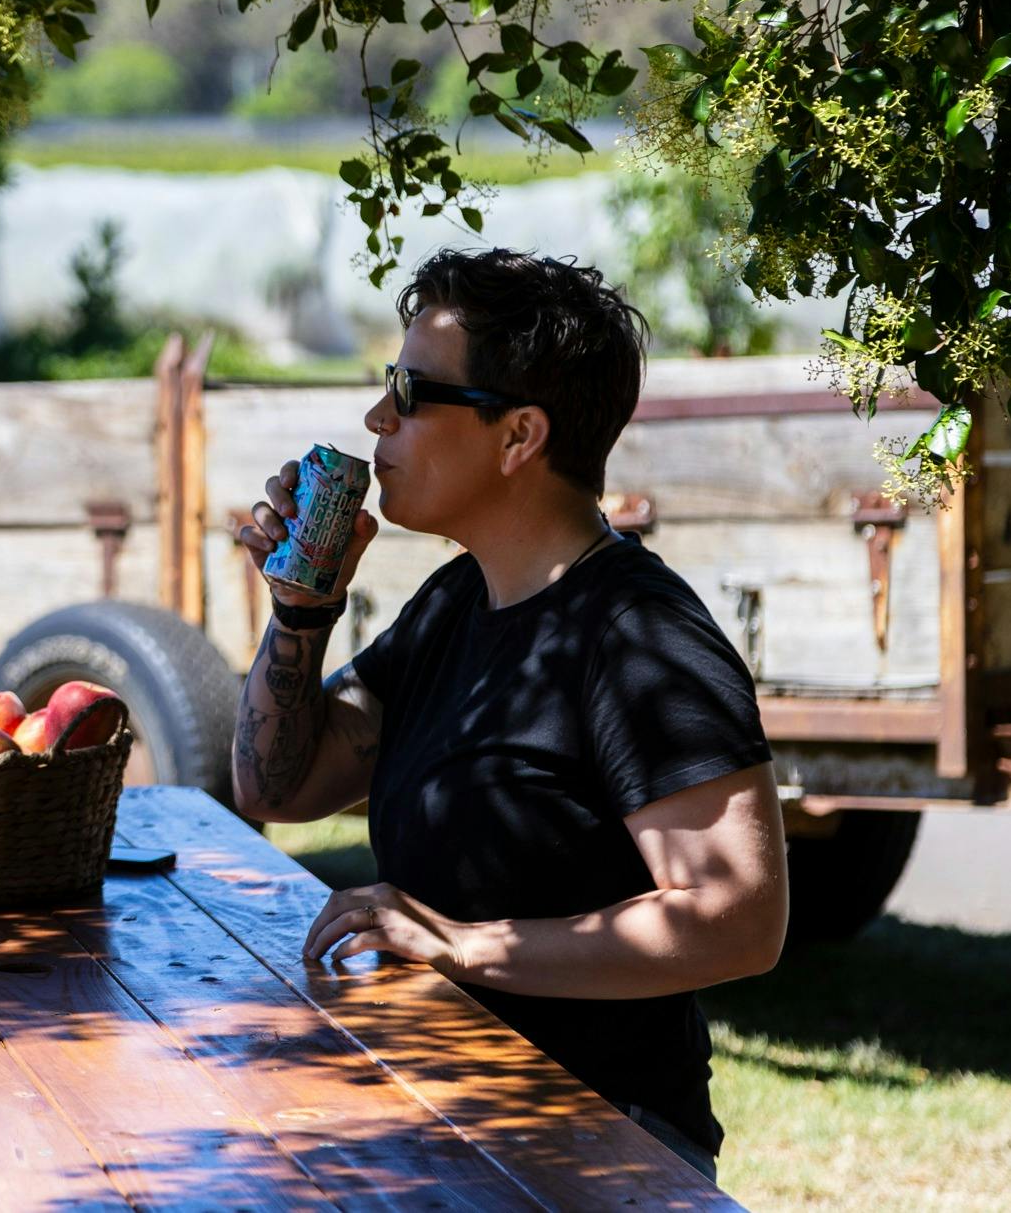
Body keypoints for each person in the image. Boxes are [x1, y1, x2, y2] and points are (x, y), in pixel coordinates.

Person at [232, 248, 787, 1184]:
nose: (379, 419)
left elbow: (738, 917)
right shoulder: (457, 603)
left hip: (601, 1150)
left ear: (518, 435)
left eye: (410, 391)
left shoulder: (642, 639)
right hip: (457, 1119)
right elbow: (280, 785)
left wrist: (463, 947)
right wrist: (301, 608)